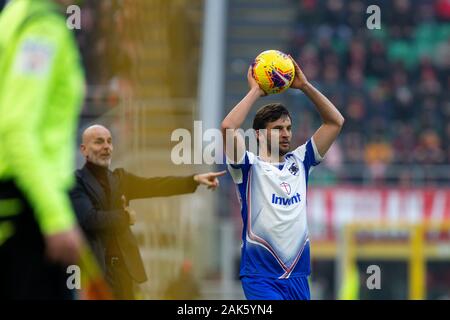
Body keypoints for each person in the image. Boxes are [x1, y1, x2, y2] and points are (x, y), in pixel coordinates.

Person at [221, 57, 344, 300]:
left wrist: (305, 86)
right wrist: (256, 90)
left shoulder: (301, 161)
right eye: (278, 129)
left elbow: (335, 122)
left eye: (288, 128)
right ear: (258, 134)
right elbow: (227, 127)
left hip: (298, 276)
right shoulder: (247, 166)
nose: (286, 134)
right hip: (261, 277)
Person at [70, 124, 226, 300]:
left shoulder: (120, 179)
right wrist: (125, 216)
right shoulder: (76, 182)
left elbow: (155, 185)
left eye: (109, 142)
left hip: (125, 272)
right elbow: (89, 219)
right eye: (99, 142)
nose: (106, 147)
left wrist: (194, 180)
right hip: (97, 272)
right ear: (84, 149)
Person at [0, 0, 85, 299]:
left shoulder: (16, 14)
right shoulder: (42, 29)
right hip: (31, 210)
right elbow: (16, 128)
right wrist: (56, 218)